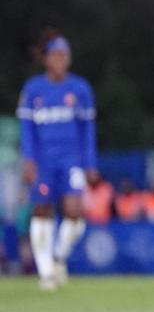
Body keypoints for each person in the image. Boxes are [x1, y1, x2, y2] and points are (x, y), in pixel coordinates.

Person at [17, 30, 98, 290]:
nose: (61, 59)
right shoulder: (33, 89)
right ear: (46, 59)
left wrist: (90, 163)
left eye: (65, 55)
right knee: (42, 210)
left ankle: (58, 255)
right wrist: (28, 160)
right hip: (43, 161)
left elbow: (88, 130)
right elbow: (27, 130)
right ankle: (46, 272)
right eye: (56, 55)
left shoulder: (80, 89)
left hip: (71, 159)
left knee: (75, 212)